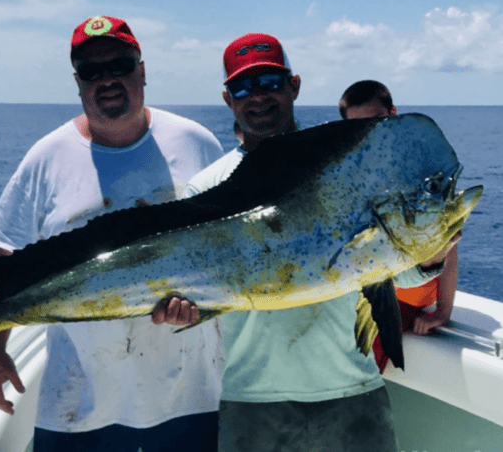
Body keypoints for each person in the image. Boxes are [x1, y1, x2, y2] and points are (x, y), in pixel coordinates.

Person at [185, 33, 454, 452]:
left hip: (353, 393)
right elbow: (191, 295)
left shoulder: (352, 170)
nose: (257, 97)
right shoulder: (205, 189)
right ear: (227, 98)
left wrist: (432, 254)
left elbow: (395, 274)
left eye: (270, 84)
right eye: (242, 87)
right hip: (252, 402)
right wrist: (179, 307)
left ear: (294, 86)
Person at [0, 15, 225, 452]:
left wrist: (205, 305)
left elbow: (226, 250)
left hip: (191, 395)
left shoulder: (198, 143)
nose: (107, 79)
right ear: (77, 82)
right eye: (92, 71)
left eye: (120, 64)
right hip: (77, 403)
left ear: (143, 70)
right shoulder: (45, 158)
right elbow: (3, 262)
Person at [339, 79, 460, 372]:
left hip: (409, 293)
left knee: (360, 361)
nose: (371, 131)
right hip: (370, 286)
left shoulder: (424, 166)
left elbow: (450, 241)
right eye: (359, 126)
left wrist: (442, 312)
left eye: (377, 120)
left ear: (392, 114)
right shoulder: (353, 173)